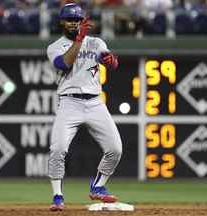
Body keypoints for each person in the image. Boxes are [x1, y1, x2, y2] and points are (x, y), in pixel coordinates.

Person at [46, 2, 122, 211]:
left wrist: (110, 60)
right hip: (69, 102)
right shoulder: (55, 46)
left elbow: (112, 64)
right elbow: (64, 64)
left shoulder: (96, 42)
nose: (74, 23)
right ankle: (58, 196)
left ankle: (98, 186)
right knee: (58, 149)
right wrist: (79, 40)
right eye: (70, 19)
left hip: (95, 101)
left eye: (78, 19)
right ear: (62, 21)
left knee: (115, 148)